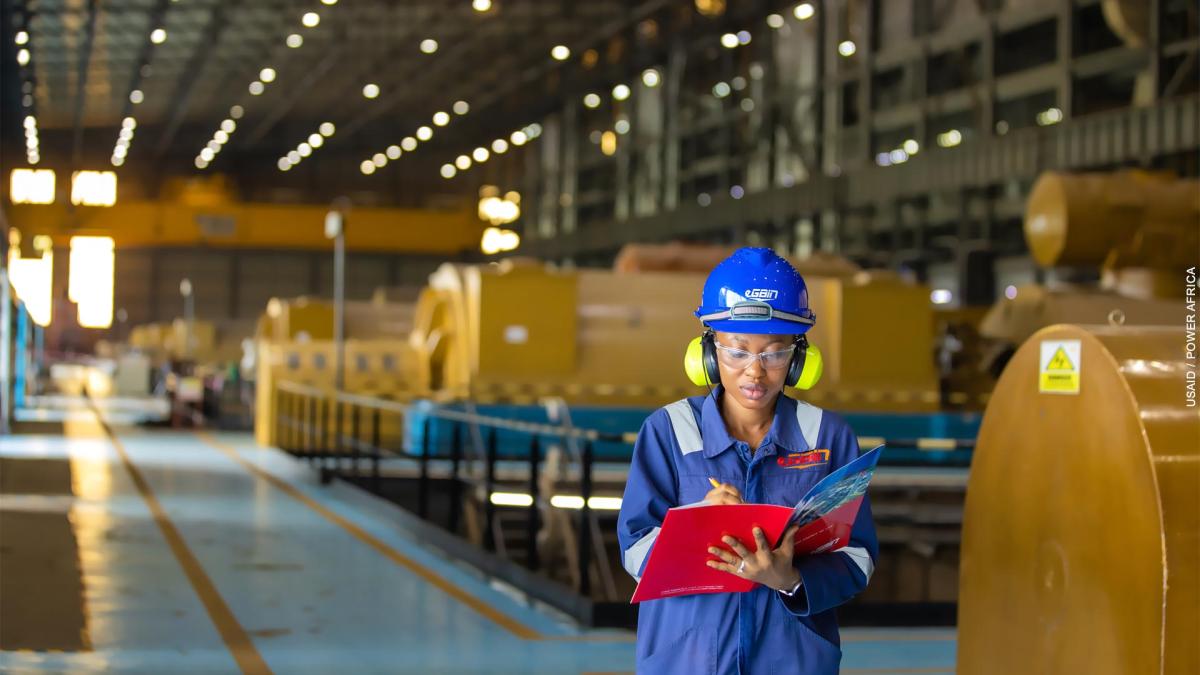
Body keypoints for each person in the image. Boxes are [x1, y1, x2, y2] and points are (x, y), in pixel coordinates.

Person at [617, 247, 878, 675]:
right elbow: (633, 550)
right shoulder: (669, 430)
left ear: (799, 359)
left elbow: (859, 557)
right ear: (707, 352)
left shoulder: (827, 437)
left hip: (792, 661)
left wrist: (790, 581)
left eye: (774, 353)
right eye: (737, 351)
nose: (755, 373)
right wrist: (695, 524)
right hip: (687, 660)